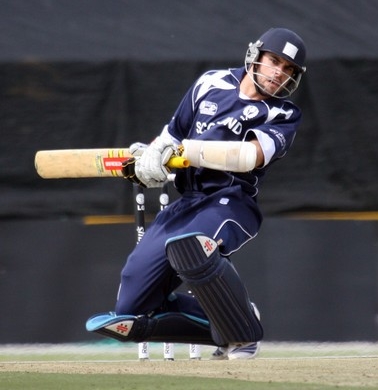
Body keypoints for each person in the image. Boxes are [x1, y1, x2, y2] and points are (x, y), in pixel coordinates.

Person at [86, 27, 306, 359]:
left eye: (288, 69)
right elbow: (170, 137)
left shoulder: (283, 114)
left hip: (230, 201)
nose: (279, 73)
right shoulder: (211, 83)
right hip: (187, 201)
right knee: (131, 307)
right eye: (274, 60)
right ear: (255, 56)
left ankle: (243, 336)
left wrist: (188, 152)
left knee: (192, 247)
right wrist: (150, 160)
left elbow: (249, 157)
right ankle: (234, 317)